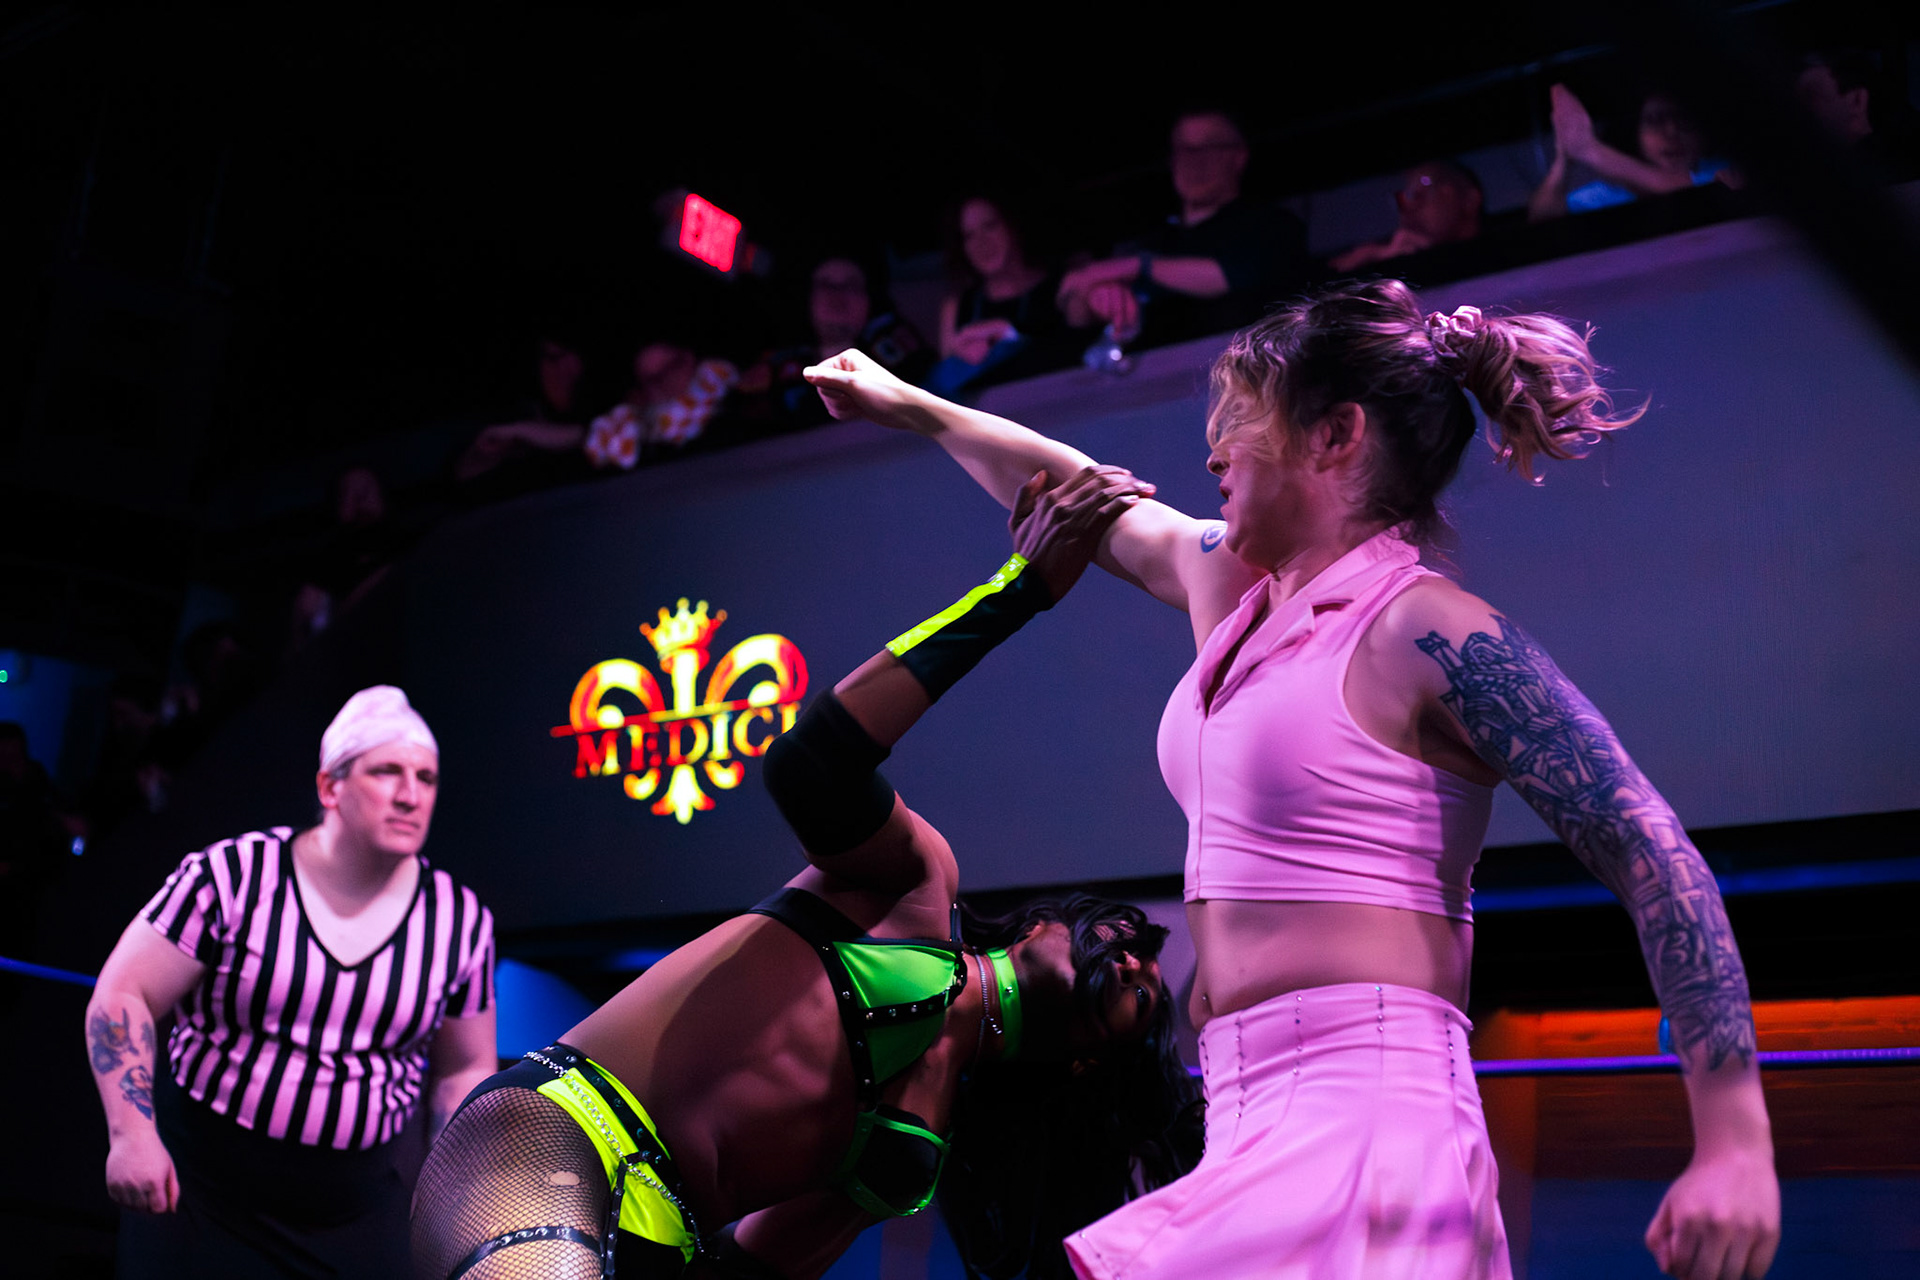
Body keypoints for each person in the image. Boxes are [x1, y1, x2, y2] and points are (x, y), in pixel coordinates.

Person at [804, 277, 1782, 1279]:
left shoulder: (1427, 627)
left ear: (1334, 436)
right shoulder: (1236, 592)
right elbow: (1077, 489)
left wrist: (1735, 1138)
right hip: (1242, 1114)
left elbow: (1648, 847)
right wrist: (910, 404)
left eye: (1238, 421)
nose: (1214, 454)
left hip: (1372, 1126)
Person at [409, 468, 1195, 1280]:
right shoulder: (916, 892)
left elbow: (755, 1270)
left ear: (1091, 1061)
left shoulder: (922, 1149)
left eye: (1146, 992)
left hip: (669, 1241)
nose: (1136, 962)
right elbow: (813, 763)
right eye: (1122, 935)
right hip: (558, 1136)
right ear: (1039, 924)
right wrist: (1018, 590)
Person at [87, 686, 498, 1279]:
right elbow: (124, 993)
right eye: (387, 772)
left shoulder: (459, 921)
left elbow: (464, 1067)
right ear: (330, 787)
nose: (410, 795)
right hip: (202, 1190)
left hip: (354, 1209)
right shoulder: (234, 875)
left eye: (426, 778)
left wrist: (451, 1188)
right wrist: (131, 1134)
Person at [1055, 109, 1307, 350]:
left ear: (1238, 156)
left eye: (1209, 148)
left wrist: (1138, 266)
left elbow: (1234, 276)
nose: (1194, 163)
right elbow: (1073, 307)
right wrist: (1097, 295)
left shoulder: (1271, 225)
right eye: (1184, 150)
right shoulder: (1154, 239)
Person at [925, 193, 1082, 397]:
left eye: (990, 226)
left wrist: (1010, 336)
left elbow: (1078, 359)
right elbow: (946, 394)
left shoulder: (1064, 285)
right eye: (969, 236)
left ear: (1012, 225)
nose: (981, 243)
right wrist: (961, 364)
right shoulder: (957, 308)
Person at [1529, 85, 1736, 221]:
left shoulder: (1724, 169)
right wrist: (1563, 157)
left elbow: (1685, 192)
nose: (1672, 132)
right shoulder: (1605, 194)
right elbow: (1542, 219)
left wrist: (1590, 150)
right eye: (1655, 121)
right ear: (1635, 132)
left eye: (1684, 119)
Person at [1328, 159, 1485, 273]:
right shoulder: (1381, 255)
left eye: (1420, 194)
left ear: (1470, 199)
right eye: (1403, 198)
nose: (1409, 208)